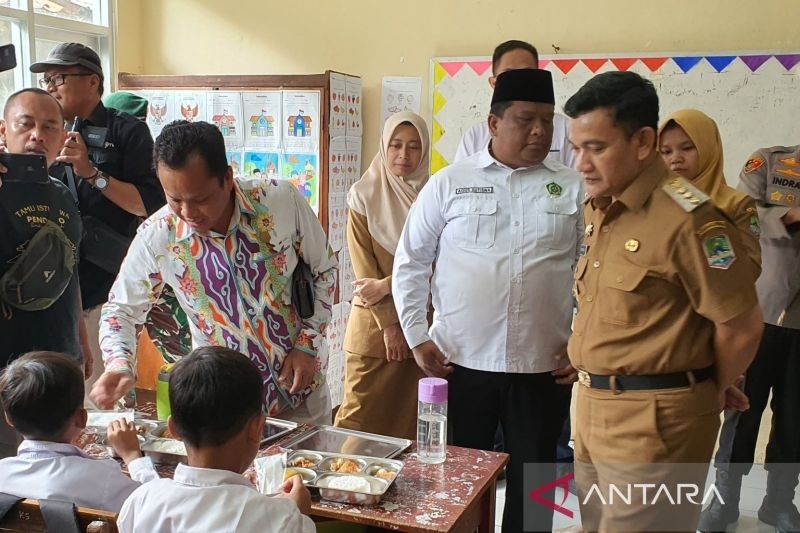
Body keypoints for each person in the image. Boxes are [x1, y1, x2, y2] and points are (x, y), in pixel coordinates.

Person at [565, 71, 764, 532]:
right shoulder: (603, 208)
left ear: (642, 141)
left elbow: (741, 326)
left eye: (595, 148)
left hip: (654, 421)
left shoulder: (689, 219)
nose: (581, 164)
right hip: (594, 407)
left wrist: (709, 389)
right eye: (576, 148)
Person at [393, 69, 581, 533]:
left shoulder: (573, 187)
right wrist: (417, 336)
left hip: (544, 366)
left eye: (546, 120)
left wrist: (585, 342)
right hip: (461, 363)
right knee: (460, 483)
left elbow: (593, 274)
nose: (539, 131)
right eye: (525, 119)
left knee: (535, 487)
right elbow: (411, 261)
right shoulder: (450, 183)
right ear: (494, 124)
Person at [90, 121, 337, 424]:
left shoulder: (279, 201)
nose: (189, 213)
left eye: (200, 199)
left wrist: (307, 344)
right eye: (175, 200)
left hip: (301, 394)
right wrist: (119, 363)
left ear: (228, 178)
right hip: (224, 409)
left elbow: (325, 270)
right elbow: (120, 310)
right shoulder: (159, 235)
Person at [30, 42, 165, 389]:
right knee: (49, 395)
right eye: (46, 79)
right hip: (50, 286)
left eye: (58, 77)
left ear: (92, 81)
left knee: (101, 396)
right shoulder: (43, 134)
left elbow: (150, 206)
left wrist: (91, 172)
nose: (50, 86)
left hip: (106, 290)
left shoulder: (127, 132)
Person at [698, 142, 800, 532]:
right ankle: (723, 501)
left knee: (795, 420)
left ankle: (779, 503)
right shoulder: (771, 162)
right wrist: (791, 216)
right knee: (742, 413)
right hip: (758, 312)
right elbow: (745, 212)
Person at [117, 346, 315, 533]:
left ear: (173, 429)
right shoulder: (281, 519)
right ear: (257, 428)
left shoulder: (140, 502)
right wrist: (299, 513)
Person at [0, 88, 89, 456]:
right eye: (26, 124)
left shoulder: (62, 191)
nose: (38, 135)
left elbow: (70, 265)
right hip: (9, 373)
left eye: (50, 127)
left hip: (62, 357)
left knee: (61, 471)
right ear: (4, 131)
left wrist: (82, 337)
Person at [333, 111, 429, 440]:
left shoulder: (433, 196)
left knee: (413, 428)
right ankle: (342, 490)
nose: (404, 155)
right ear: (384, 148)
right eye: (396, 145)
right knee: (358, 423)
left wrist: (388, 283)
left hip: (420, 330)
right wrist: (390, 327)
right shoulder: (363, 196)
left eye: (414, 147)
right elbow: (364, 275)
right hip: (375, 334)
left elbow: (441, 265)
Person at [0, 351, 157, 511]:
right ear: (82, 418)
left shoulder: (3, 473)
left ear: (8, 418)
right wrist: (133, 457)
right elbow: (154, 505)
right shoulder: (102, 478)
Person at [103, 90, 192, 363]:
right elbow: (120, 313)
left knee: (185, 358)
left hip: (166, 288)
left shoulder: (159, 170)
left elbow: (145, 206)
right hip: (126, 284)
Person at [658, 109, 761, 271]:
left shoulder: (736, 204)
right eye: (666, 152)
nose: (675, 158)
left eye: (687, 148)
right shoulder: (651, 201)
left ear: (708, 149)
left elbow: (750, 268)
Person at [453, 39, 574, 168]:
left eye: (527, 74)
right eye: (509, 75)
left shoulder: (567, 129)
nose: (519, 82)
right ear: (494, 83)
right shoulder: (475, 136)